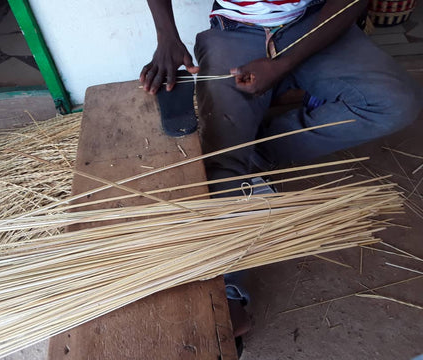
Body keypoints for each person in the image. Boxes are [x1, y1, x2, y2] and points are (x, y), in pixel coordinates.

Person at [140, 0, 421, 339]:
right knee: (221, 160)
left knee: (395, 105)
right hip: (235, 30)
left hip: (315, 23)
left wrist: (285, 63)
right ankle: (227, 289)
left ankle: (257, 152)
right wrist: (166, 36)